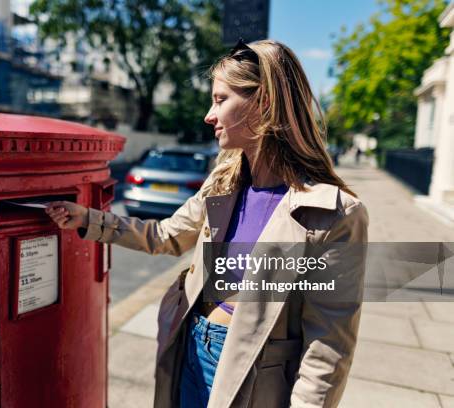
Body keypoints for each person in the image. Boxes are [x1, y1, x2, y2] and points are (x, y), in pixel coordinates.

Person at [44, 39, 369, 408]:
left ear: (263, 102)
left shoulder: (334, 214)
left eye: (220, 99)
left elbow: (327, 348)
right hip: (192, 348)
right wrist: (88, 220)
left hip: (255, 378)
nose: (208, 116)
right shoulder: (223, 184)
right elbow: (165, 235)